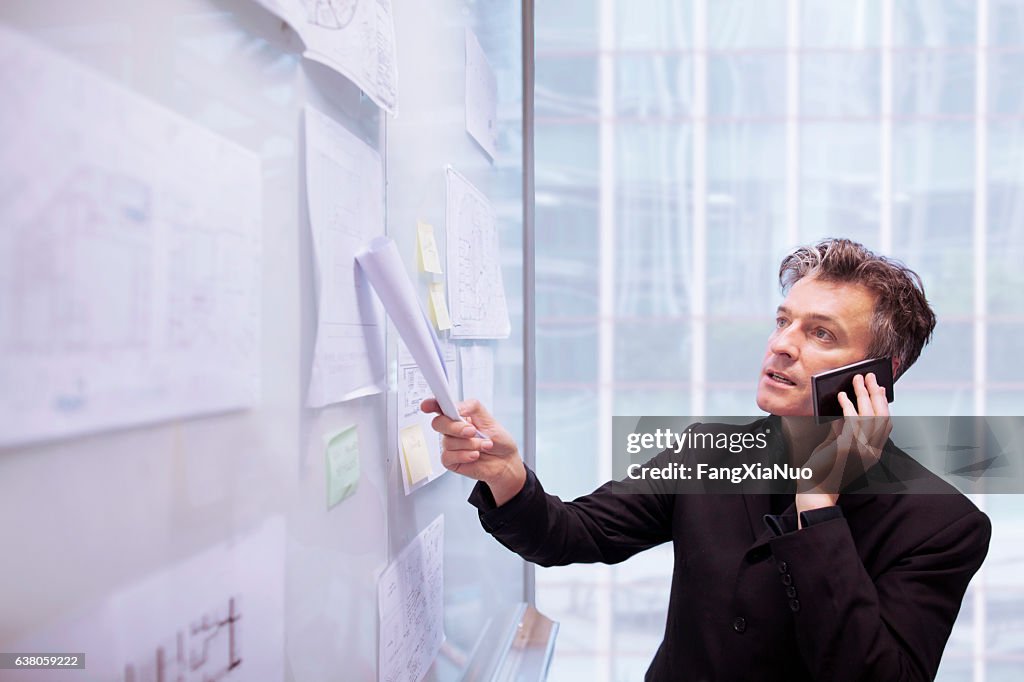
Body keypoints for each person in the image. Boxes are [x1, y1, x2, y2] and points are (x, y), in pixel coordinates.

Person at [422, 238, 991, 681]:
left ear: (875, 376)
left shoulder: (941, 525)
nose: (782, 344)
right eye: (782, 320)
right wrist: (506, 476)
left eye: (819, 333)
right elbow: (572, 534)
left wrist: (817, 505)